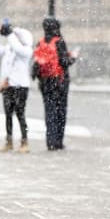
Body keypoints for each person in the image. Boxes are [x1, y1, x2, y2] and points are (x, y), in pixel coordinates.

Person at [0, 19, 33, 153]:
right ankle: (9, 141)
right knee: (8, 114)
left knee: (20, 114)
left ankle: (24, 141)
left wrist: (10, 34)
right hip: (8, 85)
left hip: (21, 86)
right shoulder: (9, 49)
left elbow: (18, 48)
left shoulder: (26, 50)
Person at [33, 17, 76, 151]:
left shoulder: (40, 42)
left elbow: (36, 65)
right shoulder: (59, 42)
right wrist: (73, 57)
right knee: (60, 112)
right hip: (59, 82)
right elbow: (64, 62)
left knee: (49, 112)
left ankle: (50, 141)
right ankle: (58, 141)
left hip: (46, 82)